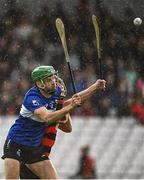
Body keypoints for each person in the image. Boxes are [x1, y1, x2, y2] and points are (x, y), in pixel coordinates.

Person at [2, 65, 106, 179]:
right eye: (49, 79)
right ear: (40, 83)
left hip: (34, 147)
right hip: (16, 143)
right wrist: (70, 108)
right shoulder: (32, 98)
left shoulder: (57, 91)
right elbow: (48, 117)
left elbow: (73, 100)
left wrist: (94, 87)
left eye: (53, 78)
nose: (53, 81)